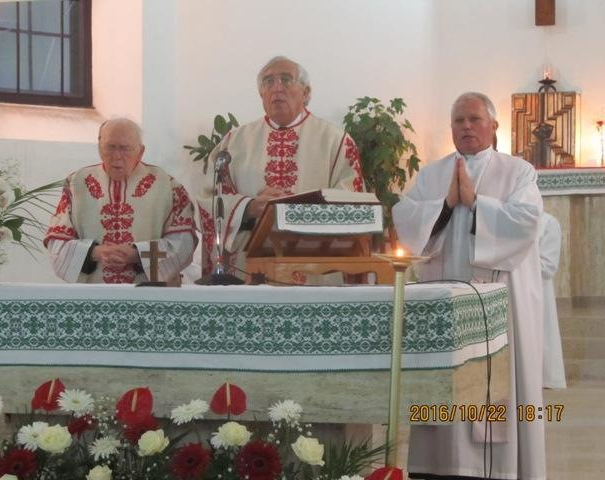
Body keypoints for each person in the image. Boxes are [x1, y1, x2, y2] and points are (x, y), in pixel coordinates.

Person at [392, 92, 545, 480]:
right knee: (446, 383)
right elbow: (405, 218)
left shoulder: (518, 171)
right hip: (444, 304)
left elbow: (526, 222)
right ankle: (440, 466)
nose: (466, 126)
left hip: (499, 305)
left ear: (494, 126)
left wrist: (476, 203)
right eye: (458, 120)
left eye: (475, 119)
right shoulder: (432, 174)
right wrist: (445, 204)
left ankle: (500, 470)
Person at [196, 56, 364, 278]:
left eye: (286, 80)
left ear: (306, 92)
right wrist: (249, 207)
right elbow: (210, 202)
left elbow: (354, 203)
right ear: (261, 95)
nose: (277, 88)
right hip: (249, 269)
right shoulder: (232, 143)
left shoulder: (336, 141)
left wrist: (299, 210)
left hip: (317, 271)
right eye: (268, 82)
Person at [44, 118, 197, 283]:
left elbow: (183, 243)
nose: (117, 156)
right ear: (99, 148)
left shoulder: (168, 186)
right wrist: (95, 252)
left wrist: (138, 253)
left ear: (140, 151)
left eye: (125, 149)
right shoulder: (76, 184)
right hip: (93, 293)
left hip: (149, 292)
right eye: (110, 147)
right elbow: (57, 243)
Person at [538, 211, 566, 389]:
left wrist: (515, 262)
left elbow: (548, 266)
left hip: (537, 292)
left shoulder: (548, 223)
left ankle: (545, 378)